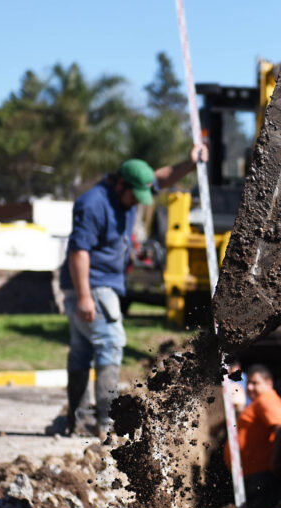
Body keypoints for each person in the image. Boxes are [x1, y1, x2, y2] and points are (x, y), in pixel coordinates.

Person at [62, 147, 206, 436]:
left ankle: (76, 422)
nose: (136, 204)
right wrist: (84, 296)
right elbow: (79, 252)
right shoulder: (93, 204)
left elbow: (162, 178)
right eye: (133, 196)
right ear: (120, 184)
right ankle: (108, 423)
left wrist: (190, 163)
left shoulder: (131, 188)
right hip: (92, 284)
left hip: (91, 285)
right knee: (111, 343)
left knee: (82, 350)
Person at [224, 364, 281, 508]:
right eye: (249, 383)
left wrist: (274, 462)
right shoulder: (257, 403)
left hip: (262, 475)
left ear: (269, 383)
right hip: (253, 476)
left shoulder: (267, 399)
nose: (250, 388)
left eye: (255, 383)